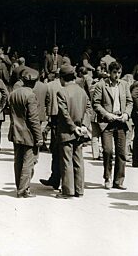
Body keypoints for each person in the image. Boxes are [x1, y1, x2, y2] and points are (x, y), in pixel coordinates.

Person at [93, 61, 133, 190]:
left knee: (121, 152)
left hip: (121, 121)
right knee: (108, 151)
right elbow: (96, 103)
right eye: (114, 73)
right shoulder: (101, 85)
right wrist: (106, 114)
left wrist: (127, 114)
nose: (117, 75)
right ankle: (107, 177)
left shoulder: (124, 85)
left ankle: (119, 180)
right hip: (107, 123)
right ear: (109, 73)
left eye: (119, 73)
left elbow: (129, 101)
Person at [55, 65, 91, 199]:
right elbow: (88, 109)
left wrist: (72, 127)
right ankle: (79, 190)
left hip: (67, 132)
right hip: (81, 131)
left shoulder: (62, 92)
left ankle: (67, 191)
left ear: (62, 78)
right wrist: (84, 126)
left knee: (66, 161)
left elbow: (64, 113)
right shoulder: (82, 91)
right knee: (78, 160)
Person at [8, 69, 42, 198]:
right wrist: (39, 137)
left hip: (15, 131)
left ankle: (19, 186)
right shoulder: (31, 95)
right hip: (28, 133)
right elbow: (33, 119)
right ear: (34, 83)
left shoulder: (13, 94)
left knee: (18, 161)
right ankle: (23, 190)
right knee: (28, 162)